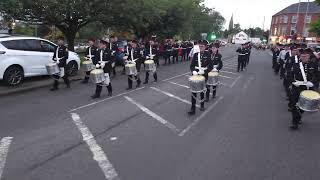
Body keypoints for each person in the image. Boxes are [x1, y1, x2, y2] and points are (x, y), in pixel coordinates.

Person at [288, 48, 318, 130]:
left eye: (306, 56)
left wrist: (313, 82)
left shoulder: (313, 65)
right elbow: (290, 75)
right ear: (300, 57)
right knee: (295, 104)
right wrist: (293, 82)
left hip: (308, 87)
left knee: (304, 105)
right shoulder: (295, 65)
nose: (304, 57)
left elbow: (317, 75)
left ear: (309, 57)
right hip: (297, 87)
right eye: (303, 56)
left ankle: (299, 115)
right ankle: (295, 122)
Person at [188, 40, 210, 115]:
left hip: (204, 75)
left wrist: (205, 72)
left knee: (202, 91)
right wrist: (193, 71)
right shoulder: (195, 54)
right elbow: (192, 65)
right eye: (199, 46)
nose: (200, 47)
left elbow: (210, 66)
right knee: (193, 91)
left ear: (205, 47)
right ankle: (192, 109)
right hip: (196, 74)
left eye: (202, 46)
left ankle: (202, 105)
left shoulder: (208, 54)